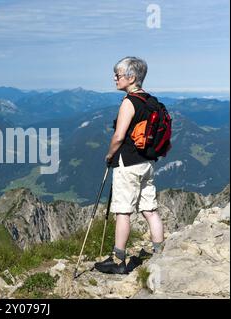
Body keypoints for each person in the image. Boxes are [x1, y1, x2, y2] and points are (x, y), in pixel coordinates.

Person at [94, 56, 165, 275]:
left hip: (128, 164)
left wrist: (109, 155)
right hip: (147, 163)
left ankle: (118, 261)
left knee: (123, 212)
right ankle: (160, 254)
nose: (115, 78)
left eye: (118, 75)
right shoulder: (151, 101)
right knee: (150, 210)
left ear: (131, 77)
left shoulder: (129, 102)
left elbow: (118, 136)